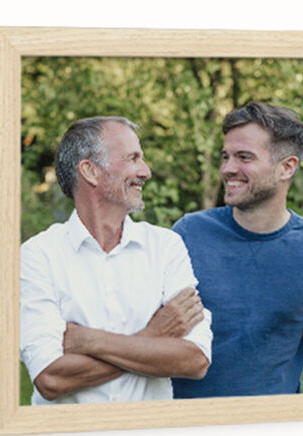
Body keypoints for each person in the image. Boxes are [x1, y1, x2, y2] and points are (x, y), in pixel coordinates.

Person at [20, 116, 212, 405]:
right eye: (133, 158)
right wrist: (154, 336)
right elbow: (50, 378)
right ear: (90, 171)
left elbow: (195, 360)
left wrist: (90, 342)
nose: (145, 172)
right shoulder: (37, 255)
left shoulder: (166, 247)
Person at [171, 101, 303, 398]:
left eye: (244, 157)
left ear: (287, 167)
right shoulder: (187, 234)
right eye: (226, 156)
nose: (228, 169)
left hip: (272, 434)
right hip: (186, 429)